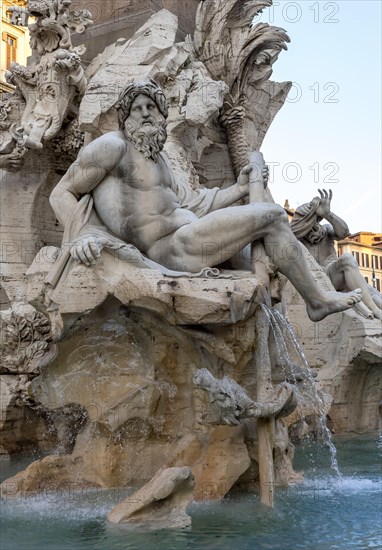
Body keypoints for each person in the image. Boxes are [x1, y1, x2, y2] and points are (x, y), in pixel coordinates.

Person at [49, 80, 361, 322]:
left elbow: (196, 204)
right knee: (273, 215)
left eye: (151, 108)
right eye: (136, 108)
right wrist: (81, 236)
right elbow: (61, 192)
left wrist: (239, 189)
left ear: (162, 116)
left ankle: (313, 299)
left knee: (269, 254)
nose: (145, 113)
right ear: (125, 118)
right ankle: (318, 302)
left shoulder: (160, 161)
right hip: (171, 248)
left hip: (190, 234)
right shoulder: (111, 147)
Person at [291, 189, 382, 320]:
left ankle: (375, 309)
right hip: (322, 281)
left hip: (340, 275)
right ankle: (374, 310)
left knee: (372, 293)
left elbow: (344, 232)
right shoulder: (296, 241)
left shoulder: (326, 230)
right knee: (347, 259)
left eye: (315, 222)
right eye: (309, 224)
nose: (314, 227)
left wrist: (328, 214)